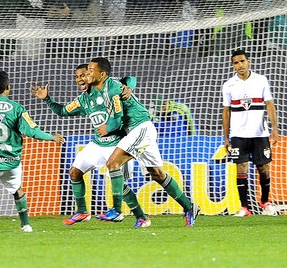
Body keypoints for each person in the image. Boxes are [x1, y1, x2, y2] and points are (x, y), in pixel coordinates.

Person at [30, 64, 152, 228]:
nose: (80, 79)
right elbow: (62, 111)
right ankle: (82, 211)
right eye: (77, 76)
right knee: (74, 172)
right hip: (97, 144)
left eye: (83, 75)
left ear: (91, 77)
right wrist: (46, 99)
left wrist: (128, 87)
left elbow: (130, 79)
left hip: (117, 144)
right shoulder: (82, 100)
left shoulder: (106, 89)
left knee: (120, 187)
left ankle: (141, 217)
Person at [88, 57, 200, 226]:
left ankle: (116, 210)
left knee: (112, 164)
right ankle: (189, 207)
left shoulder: (111, 85)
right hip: (136, 132)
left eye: (90, 69)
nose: (87, 73)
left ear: (102, 74)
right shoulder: (97, 92)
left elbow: (131, 80)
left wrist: (128, 87)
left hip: (140, 127)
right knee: (157, 174)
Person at [0, 70, 64, 233]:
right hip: (12, 162)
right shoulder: (17, 108)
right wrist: (51, 137)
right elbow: (32, 131)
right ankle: (26, 225)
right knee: (17, 190)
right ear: (8, 87)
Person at [222, 49, 279, 217]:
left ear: (249, 61)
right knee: (241, 167)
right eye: (236, 63)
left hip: (260, 134)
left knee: (264, 168)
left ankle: (265, 202)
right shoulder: (228, 85)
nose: (240, 65)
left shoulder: (261, 80)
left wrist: (274, 129)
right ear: (233, 65)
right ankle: (244, 208)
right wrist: (226, 137)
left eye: (242, 61)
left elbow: (269, 104)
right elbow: (226, 112)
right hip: (238, 135)